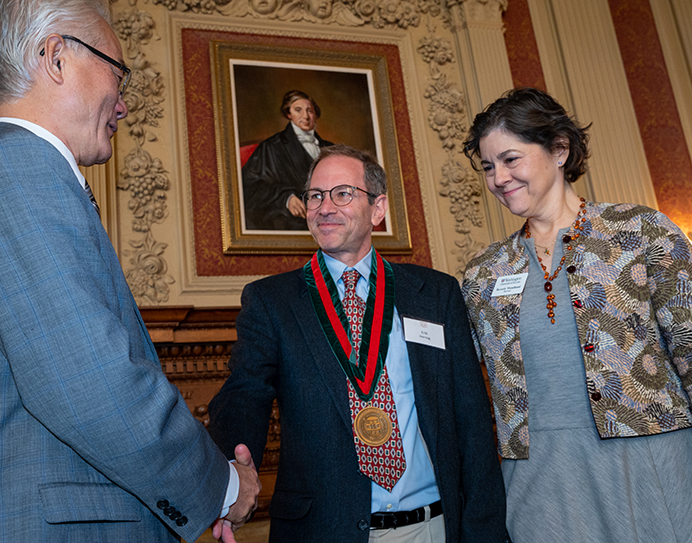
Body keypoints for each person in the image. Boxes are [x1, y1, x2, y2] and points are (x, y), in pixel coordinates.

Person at [0, 1, 260, 541]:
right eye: (117, 71)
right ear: (56, 57)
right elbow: (89, 382)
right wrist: (222, 486)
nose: (124, 104)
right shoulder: (17, 168)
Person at [209, 144, 508, 542]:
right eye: (315, 195)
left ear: (378, 209)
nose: (324, 207)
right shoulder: (271, 302)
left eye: (342, 193)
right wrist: (228, 480)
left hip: (434, 526)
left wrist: (485, 530)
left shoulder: (435, 294)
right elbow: (245, 396)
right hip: (324, 530)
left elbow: (471, 418)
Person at [461, 87, 692, 543]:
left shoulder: (640, 232)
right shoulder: (483, 272)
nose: (498, 178)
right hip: (538, 475)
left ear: (560, 149)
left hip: (649, 461)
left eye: (510, 159)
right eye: (488, 167)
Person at [241, 90, 334, 230]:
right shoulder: (271, 147)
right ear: (288, 114)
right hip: (289, 223)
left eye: (310, 111)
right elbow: (248, 188)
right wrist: (285, 198)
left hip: (329, 221)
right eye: (298, 110)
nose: (306, 116)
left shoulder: (331, 149)